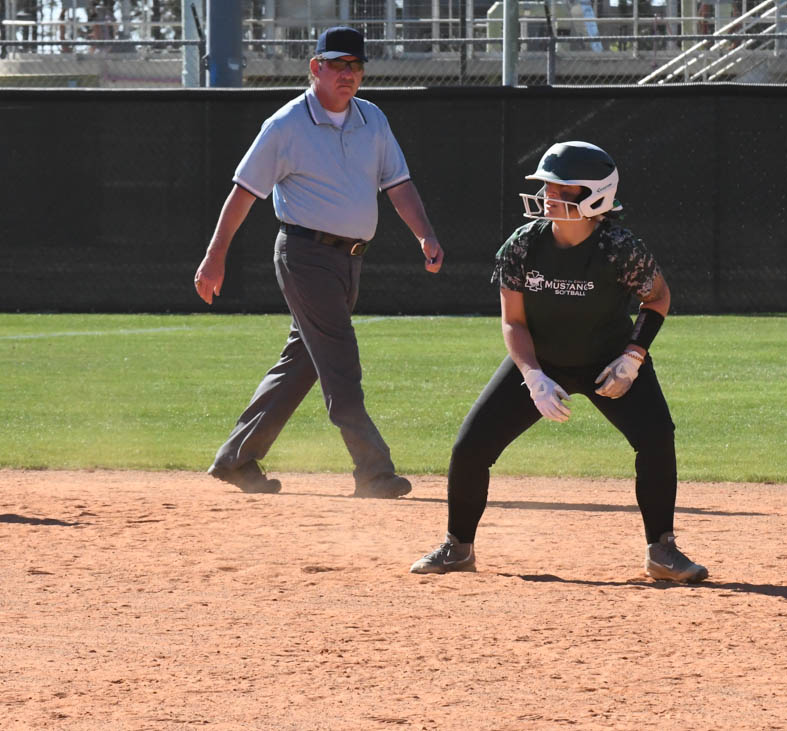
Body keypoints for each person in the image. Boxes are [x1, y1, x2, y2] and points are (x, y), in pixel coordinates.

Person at [410, 141, 707, 582]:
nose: (548, 195)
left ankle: (662, 551)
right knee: (470, 447)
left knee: (657, 436)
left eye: (561, 188)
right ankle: (458, 547)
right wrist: (533, 377)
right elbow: (513, 322)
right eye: (547, 186)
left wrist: (632, 357)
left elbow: (657, 297)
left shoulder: (619, 247)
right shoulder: (522, 245)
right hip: (543, 359)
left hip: (609, 359)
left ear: (595, 196)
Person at [194, 26, 444, 498]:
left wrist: (425, 233)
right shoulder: (286, 125)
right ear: (316, 67)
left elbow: (398, 184)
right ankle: (373, 470)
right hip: (305, 255)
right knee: (340, 363)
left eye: (356, 65)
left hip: (349, 261)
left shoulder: (372, 119)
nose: (348, 73)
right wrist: (215, 255)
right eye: (338, 64)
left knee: (303, 361)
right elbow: (243, 193)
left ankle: (236, 459)